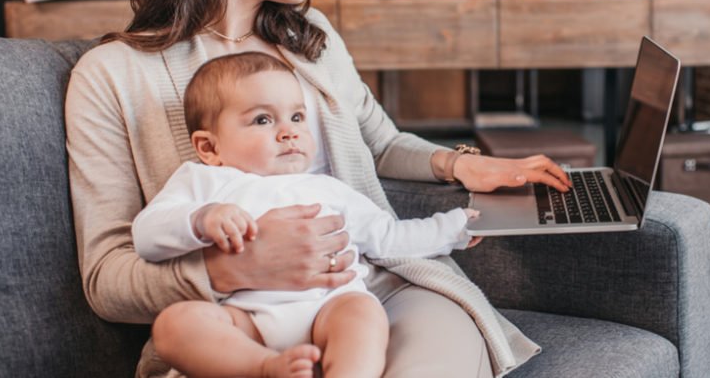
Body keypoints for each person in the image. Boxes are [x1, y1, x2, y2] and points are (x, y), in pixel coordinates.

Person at [64, 0, 570, 377]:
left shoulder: (311, 38)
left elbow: (384, 144)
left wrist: (463, 165)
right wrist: (235, 269)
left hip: (373, 292)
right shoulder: (113, 75)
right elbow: (106, 279)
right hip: (240, 319)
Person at [133, 51, 481, 378]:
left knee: (364, 314)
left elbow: (390, 238)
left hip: (329, 307)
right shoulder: (206, 181)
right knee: (174, 325)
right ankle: (266, 367)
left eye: (297, 116)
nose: (289, 131)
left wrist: (455, 227)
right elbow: (146, 235)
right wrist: (201, 219)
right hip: (247, 317)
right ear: (209, 148)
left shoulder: (328, 189)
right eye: (262, 119)